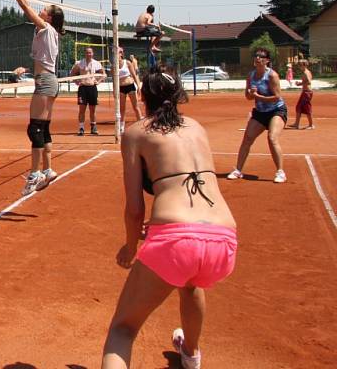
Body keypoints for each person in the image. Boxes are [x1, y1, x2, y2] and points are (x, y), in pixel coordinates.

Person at [102, 66, 237, 369]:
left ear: (142, 95)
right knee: (190, 283)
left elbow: (135, 209)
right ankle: (191, 355)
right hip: (223, 239)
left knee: (122, 330)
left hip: (176, 240)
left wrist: (129, 248)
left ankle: (188, 353)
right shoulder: (197, 127)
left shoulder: (136, 132)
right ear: (178, 95)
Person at [0, 0, 64, 195]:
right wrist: (27, 69)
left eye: (45, 9)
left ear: (50, 17)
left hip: (46, 81)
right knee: (43, 128)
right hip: (47, 79)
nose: (41, 10)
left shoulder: (46, 28)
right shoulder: (48, 32)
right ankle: (48, 170)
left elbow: (23, 4)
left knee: (34, 128)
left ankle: (35, 175)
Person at [227, 47, 288, 183]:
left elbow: (277, 97)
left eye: (261, 56)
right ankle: (238, 170)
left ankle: (280, 172)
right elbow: (248, 97)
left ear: (267, 60)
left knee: (272, 138)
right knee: (247, 138)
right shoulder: (251, 75)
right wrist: (251, 93)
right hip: (260, 112)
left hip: (276, 111)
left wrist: (258, 96)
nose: (257, 58)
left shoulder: (272, 75)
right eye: (256, 56)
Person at [70, 47, 106, 136]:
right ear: (84, 53)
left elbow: (104, 74)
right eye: (87, 52)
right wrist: (77, 82)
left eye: (90, 52)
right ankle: (81, 128)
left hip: (92, 87)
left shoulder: (96, 63)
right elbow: (72, 73)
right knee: (82, 109)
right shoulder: (79, 63)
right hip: (83, 88)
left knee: (92, 109)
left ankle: (93, 127)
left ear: (92, 53)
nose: (88, 54)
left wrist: (98, 81)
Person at [117, 48, 143, 134]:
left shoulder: (127, 62)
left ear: (121, 54)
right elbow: (114, 79)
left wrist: (138, 86)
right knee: (122, 108)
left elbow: (134, 75)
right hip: (121, 87)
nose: (116, 55)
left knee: (135, 107)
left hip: (130, 85)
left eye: (118, 53)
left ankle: (141, 126)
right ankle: (121, 127)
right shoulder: (114, 65)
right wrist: (114, 90)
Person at [289, 59, 314, 129]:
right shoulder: (306, 72)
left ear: (304, 65)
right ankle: (296, 124)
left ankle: (311, 125)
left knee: (307, 108)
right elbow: (307, 81)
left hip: (307, 93)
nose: (299, 66)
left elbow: (309, 82)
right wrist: (300, 83)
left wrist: (300, 83)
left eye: (300, 65)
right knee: (298, 107)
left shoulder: (306, 73)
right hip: (305, 92)